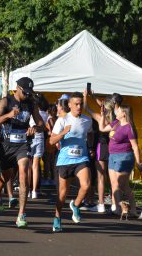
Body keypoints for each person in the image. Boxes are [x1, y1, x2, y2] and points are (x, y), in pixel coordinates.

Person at [0, 77, 43, 228]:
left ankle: (21, 214)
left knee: (23, 174)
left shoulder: (31, 103)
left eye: (29, 92)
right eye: (25, 92)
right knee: (7, 175)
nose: (27, 95)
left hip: (23, 144)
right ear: (17, 88)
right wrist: (8, 115)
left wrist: (35, 128)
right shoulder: (6, 101)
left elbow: (41, 124)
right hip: (7, 145)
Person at [49, 92, 92, 232]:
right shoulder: (62, 120)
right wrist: (63, 133)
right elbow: (51, 141)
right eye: (76, 104)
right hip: (65, 160)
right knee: (62, 194)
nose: (79, 107)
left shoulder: (87, 120)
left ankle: (76, 205)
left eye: (81, 104)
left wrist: (90, 147)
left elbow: (89, 133)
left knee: (86, 185)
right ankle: (57, 218)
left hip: (81, 158)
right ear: (69, 105)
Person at [99, 104, 142, 215]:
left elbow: (135, 146)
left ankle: (132, 209)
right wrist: (103, 115)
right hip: (112, 156)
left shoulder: (129, 127)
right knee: (114, 184)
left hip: (124, 157)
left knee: (121, 185)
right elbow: (102, 128)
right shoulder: (116, 123)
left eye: (118, 111)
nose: (116, 113)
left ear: (124, 113)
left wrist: (138, 162)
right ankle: (118, 209)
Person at [28, 93, 49, 199]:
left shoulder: (32, 113)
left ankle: (27, 189)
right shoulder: (46, 114)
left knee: (28, 166)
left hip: (30, 137)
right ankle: (34, 191)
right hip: (40, 139)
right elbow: (47, 127)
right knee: (36, 167)